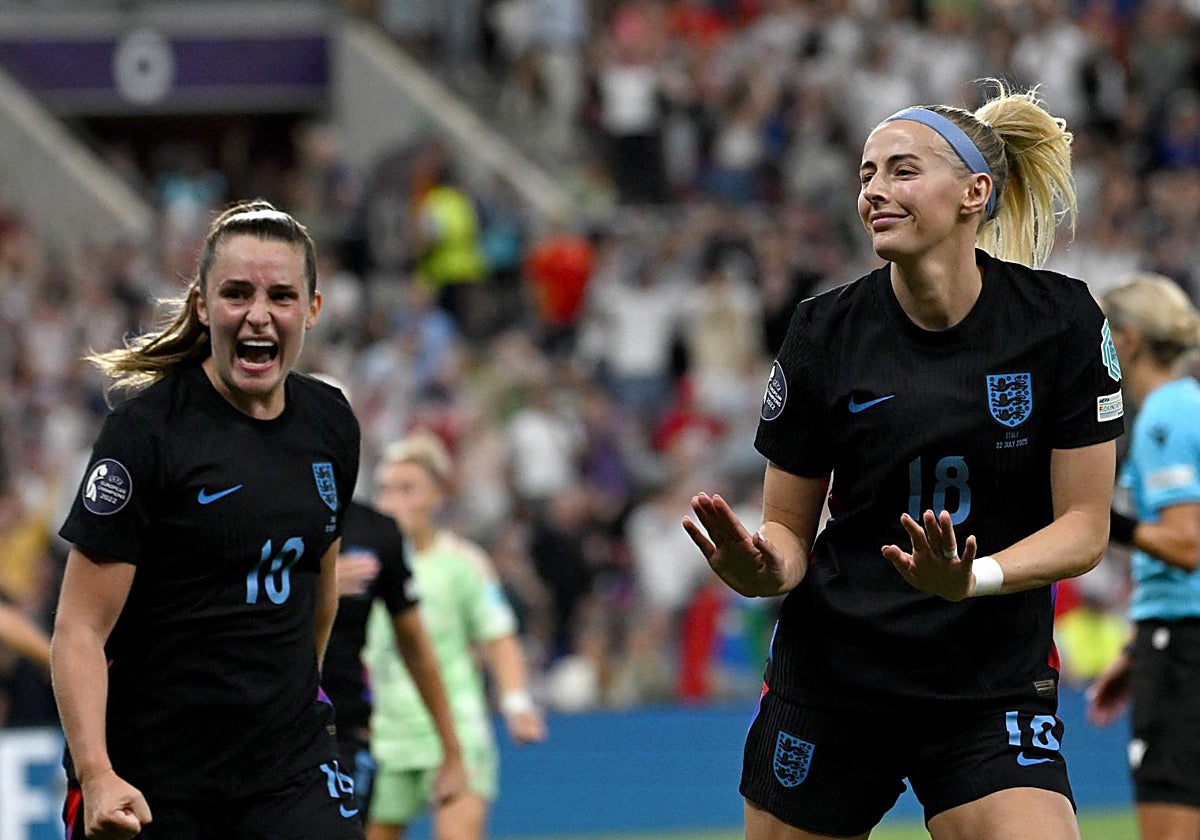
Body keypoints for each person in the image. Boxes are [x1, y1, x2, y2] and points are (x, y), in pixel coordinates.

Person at [682, 80, 1125, 840]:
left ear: (974, 193)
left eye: (902, 170)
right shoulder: (823, 332)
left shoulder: (1063, 323)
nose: (875, 191)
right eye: (866, 174)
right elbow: (788, 531)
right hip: (838, 678)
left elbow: (1085, 526)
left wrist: (972, 578)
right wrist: (763, 568)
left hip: (988, 684)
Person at [50, 200, 366, 840]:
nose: (258, 315)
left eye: (281, 296)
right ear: (201, 305)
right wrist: (97, 773)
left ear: (312, 309)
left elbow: (317, 588)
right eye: (236, 293)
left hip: (288, 772)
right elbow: (79, 628)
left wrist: (293, 700)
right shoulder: (145, 434)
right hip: (157, 779)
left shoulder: (331, 422)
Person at [363, 430, 546, 840]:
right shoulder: (361, 566)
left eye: (408, 489)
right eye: (386, 490)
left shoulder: (462, 564)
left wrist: (516, 702)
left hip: (456, 732)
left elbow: (499, 638)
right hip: (384, 734)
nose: (394, 501)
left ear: (437, 496)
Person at [1086, 274, 1200, 840]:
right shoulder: (1189, 406)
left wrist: (1097, 519)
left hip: (1182, 644)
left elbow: (1186, 546)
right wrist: (1134, 652)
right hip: (1171, 635)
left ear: (1127, 339)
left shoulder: (1164, 417)